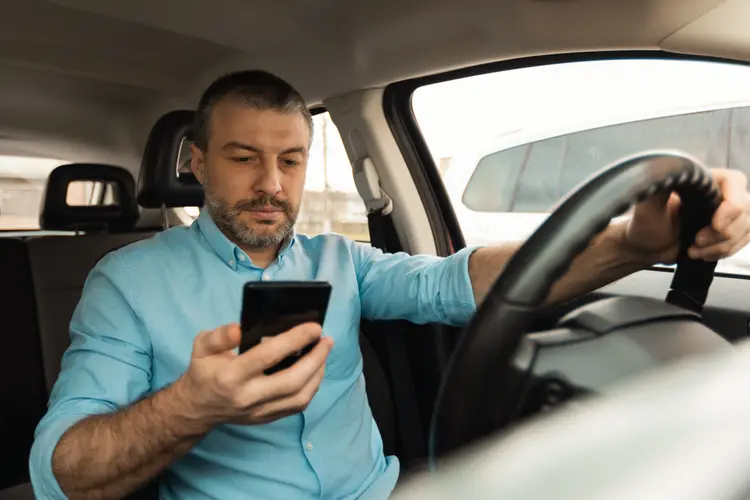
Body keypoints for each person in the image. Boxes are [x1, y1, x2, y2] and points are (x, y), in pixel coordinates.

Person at [29, 69, 750, 500]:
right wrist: (192, 406)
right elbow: (58, 470)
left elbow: (455, 284)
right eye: (244, 158)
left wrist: (630, 242)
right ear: (196, 162)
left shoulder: (340, 261)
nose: (271, 186)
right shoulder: (126, 283)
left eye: (291, 160)